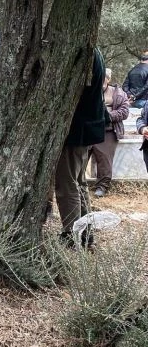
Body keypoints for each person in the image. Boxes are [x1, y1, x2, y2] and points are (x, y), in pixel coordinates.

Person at [53, 48, 105, 247]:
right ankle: (85, 233)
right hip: (85, 128)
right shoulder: (94, 51)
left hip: (76, 130)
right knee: (79, 182)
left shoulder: (84, 51)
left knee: (67, 184)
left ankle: (71, 235)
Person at [88, 68, 130, 198]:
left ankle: (102, 187)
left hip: (108, 131)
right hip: (88, 130)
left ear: (108, 79)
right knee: (80, 158)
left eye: (104, 78)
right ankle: (79, 185)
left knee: (104, 159)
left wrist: (107, 116)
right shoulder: (88, 91)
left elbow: (124, 111)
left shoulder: (118, 93)